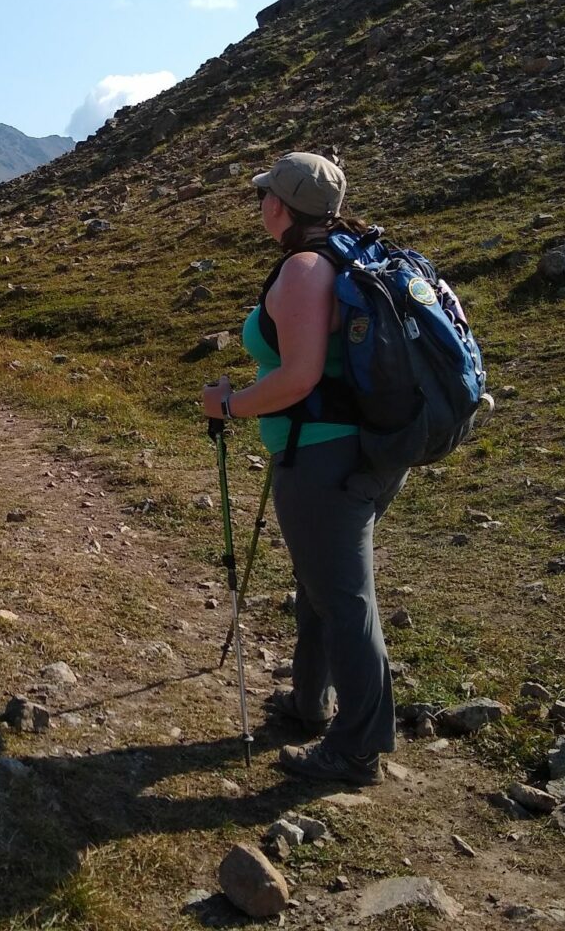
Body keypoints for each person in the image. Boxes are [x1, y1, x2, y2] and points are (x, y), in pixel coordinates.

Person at [200, 151, 407, 786]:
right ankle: (308, 700)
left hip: (320, 457)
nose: (261, 203)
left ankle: (357, 748)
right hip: (366, 452)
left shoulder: (303, 270)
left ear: (280, 207)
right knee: (323, 586)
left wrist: (230, 405)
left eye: (266, 195)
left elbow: (298, 376)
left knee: (345, 599)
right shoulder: (351, 256)